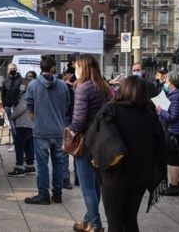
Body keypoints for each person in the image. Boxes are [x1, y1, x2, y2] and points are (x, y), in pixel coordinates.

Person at [86, 76, 168, 231]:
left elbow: (93, 137)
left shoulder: (111, 110)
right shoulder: (151, 116)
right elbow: (159, 147)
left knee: (115, 221)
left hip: (115, 173)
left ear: (122, 90)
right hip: (140, 174)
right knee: (130, 219)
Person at [69, 54, 112, 232]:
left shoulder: (83, 88)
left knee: (87, 185)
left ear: (84, 68)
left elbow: (78, 121)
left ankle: (95, 225)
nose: (75, 69)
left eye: (77, 66)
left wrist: (69, 130)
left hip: (85, 141)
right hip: (101, 140)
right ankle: (87, 221)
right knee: (95, 185)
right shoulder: (104, 87)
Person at [24, 55, 69, 205]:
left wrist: (37, 121)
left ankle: (43, 195)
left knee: (42, 165)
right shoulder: (62, 85)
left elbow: (29, 108)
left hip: (41, 130)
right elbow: (67, 105)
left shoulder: (33, 85)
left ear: (40, 68)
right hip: (57, 129)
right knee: (58, 163)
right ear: (53, 68)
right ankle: (58, 194)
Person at [157, 72, 179, 196]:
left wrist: (160, 111)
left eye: (167, 80)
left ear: (172, 82)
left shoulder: (175, 96)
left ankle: (174, 186)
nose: (166, 82)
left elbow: (173, 116)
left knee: (174, 160)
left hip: (175, 131)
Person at [7, 77, 35, 177]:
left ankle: (19, 167)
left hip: (23, 123)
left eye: (22, 84)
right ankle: (30, 166)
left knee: (19, 145)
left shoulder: (26, 94)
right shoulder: (33, 94)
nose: (21, 86)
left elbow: (22, 108)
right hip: (29, 123)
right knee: (28, 146)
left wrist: (12, 116)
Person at [60, 52, 79, 189]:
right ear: (73, 63)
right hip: (69, 115)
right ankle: (66, 178)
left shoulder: (83, 76)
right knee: (68, 147)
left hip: (76, 115)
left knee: (77, 146)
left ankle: (76, 177)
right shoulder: (64, 76)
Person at [1, 63, 22, 152]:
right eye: (10, 69)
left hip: (20, 107)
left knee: (20, 127)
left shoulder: (21, 80)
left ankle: (21, 144)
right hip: (9, 107)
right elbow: (3, 94)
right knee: (13, 127)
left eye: (14, 68)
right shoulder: (5, 81)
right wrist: (5, 106)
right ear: (8, 70)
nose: (12, 70)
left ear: (16, 69)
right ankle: (16, 143)